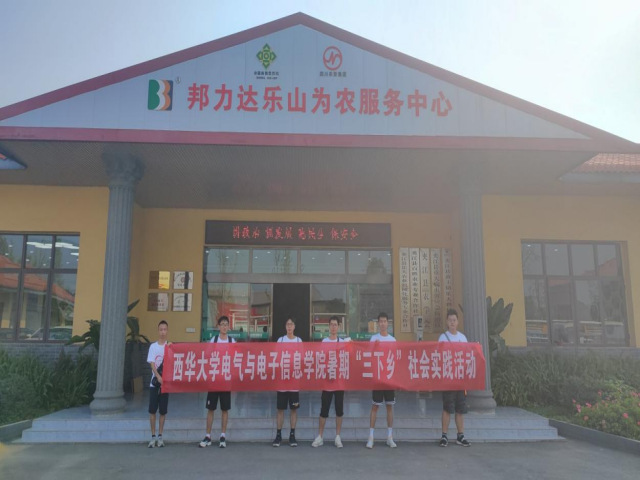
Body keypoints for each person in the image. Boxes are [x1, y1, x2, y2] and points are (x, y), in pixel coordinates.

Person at [312, 316, 350, 448]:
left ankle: (338, 437)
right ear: (328, 326)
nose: (333, 327)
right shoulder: (324, 342)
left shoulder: (343, 342)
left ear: (339, 327)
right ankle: (320, 436)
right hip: (327, 382)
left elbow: (347, 358)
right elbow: (320, 359)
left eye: (335, 325)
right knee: (324, 410)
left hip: (339, 382)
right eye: (331, 325)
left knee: (339, 410)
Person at [199, 315, 236, 449]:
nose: (224, 326)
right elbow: (207, 357)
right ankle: (208, 436)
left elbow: (236, 358)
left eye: (226, 324)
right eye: (222, 324)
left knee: (225, 409)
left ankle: (222, 436)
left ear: (228, 327)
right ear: (218, 326)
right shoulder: (213, 340)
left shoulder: (232, 341)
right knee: (211, 408)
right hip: (214, 380)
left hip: (226, 380)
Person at [438, 308, 471, 447]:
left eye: (454, 320)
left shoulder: (463, 338)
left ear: (458, 322)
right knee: (447, 408)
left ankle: (460, 435)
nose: (452, 322)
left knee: (460, 409)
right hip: (448, 379)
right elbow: (439, 356)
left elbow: (468, 356)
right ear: (447, 322)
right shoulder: (442, 338)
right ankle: (444, 435)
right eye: (450, 320)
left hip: (460, 379)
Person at [366, 312, 397, 449]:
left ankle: (389, 437)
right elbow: (368, 355)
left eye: (385, 321)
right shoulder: (374, 338)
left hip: (389, 378)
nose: (383, 323)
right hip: (378, 378)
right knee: (375, 406)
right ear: (378, 323)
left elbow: (395, 358)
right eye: (381, 321)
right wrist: (375, 347)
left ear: (388, 323)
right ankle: (371, 437)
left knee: (389, 406)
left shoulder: (392, 340)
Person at [273, 317, 302, 447]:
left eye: (291, 324)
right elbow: (276, 357)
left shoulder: (299, 341)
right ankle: (278, 435)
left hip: (294, 381)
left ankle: (292, 435)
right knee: (280, 409)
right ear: (285, 327)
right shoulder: (280, 340)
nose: (289, 326)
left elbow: (302, 358)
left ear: (294, 326)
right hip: (282, 381)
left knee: (293, 409)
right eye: (287, 324)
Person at [148, 320, 169, 448]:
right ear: (158, 331)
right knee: (152, 411)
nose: (163, 332)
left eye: (165, 329)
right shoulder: (153, 347)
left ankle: (160, 436)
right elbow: (152, 363)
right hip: (154, 384)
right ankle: (153, 436)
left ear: (167, 331)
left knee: (163, 411)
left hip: (165, 385)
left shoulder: (169, 347)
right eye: (161, 329)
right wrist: (158, 376)